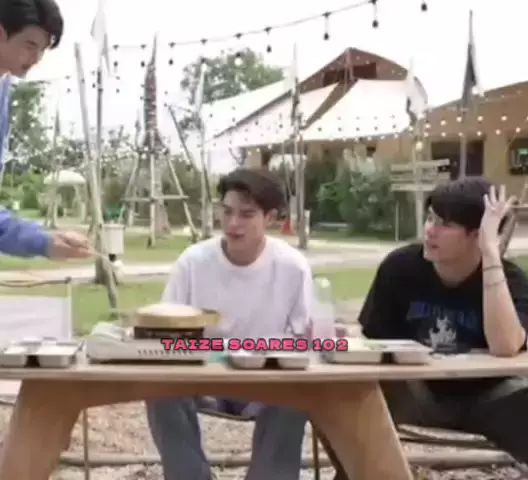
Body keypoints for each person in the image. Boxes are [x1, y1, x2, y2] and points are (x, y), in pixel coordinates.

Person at [328, 177, 528, 479]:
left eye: (445, 224)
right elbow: (374, 341)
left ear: (477, 235)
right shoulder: (400, 267)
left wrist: (490, 254)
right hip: (416, 390)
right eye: (431, 218)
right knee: (354, 395)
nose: (430, 231)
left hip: (490, 395)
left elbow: (506, 346)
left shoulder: (508, 280)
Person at [146, 167, 334, 480]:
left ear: (269, 218)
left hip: (266, 382)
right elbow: (165, 330)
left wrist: (320, 335)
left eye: (246, 215)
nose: (233, 224)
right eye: (227, 212)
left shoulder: (292, 266)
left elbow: (304, 340)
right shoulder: (193, 262)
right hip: (199, 378)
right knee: (159, 387)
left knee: (297, 392)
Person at [0, 0, 92, 260]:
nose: (36, 59)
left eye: (42, 50)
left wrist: (45, 241)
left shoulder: (4, 89)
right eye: (30, 46)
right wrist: (39, 241)